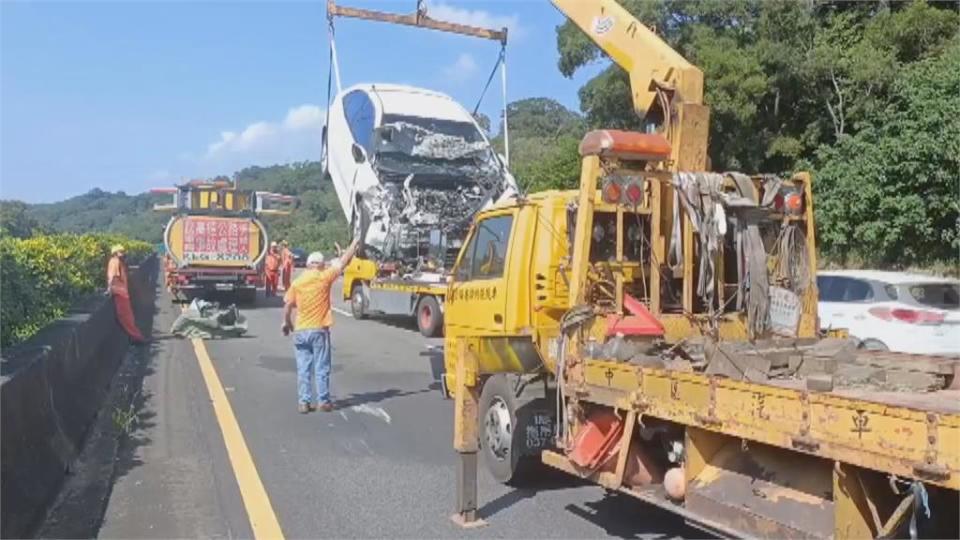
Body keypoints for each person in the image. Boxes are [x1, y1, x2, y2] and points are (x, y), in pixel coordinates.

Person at [282, 238, 360, 413]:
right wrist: (355, 244)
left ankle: (304, 402)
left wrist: (287, 323)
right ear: (320, 265)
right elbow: (343, 261)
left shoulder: (298, 282)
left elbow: (287, 304)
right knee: (321, 366)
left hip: (300, 330)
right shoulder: (324, 277)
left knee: (303, 368)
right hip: (319, 329)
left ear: (309, 264)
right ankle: (323, 401)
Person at [107, 244, 146, 344]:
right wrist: (109, 289)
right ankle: (137, 338)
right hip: (119, 293)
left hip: (122, 292)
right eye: (121, 252)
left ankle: (135, 337)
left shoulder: (119, 262)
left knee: (128, 317)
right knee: (126, 317)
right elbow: (112, 277)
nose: (123, 254)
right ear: (115, 253)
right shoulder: (115, 262)